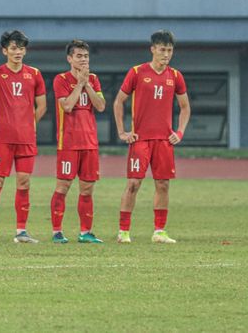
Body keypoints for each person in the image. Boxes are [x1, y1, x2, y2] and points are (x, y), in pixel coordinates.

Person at [113, 30, 191, 244]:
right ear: (153, 49)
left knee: (163, 184)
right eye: (162, 50)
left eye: (170, 50)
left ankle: (159, 231)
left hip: (164, 141)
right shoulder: (137, 72)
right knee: (133, 183)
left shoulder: (175, 76)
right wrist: (122, 132)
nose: (166, 54)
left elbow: (185, 107)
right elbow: (119, 101)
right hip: (140, 140)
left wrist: (179, 132)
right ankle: (123, 231)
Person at [0, 30, 47, 244]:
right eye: (14, 48)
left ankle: (21, 232)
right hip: (2, 140)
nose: (18, 52)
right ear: (5, 50)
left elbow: (41, 105)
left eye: (21, 48)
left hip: (26, 140)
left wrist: (30, 125)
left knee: (24, 183)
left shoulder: (34, 74)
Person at [50, 39, 106, 244]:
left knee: (87, 189)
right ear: (69, 59)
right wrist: (80, 83)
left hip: (90, 143)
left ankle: (85, 232)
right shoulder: (61, 79)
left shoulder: (94, 79)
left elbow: (100, 106)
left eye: (86, 56)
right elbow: (67, 106)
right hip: (69, 143)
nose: (83, 60)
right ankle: (57, 231)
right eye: (79, 56)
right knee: (63, 186)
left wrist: (87, 83)